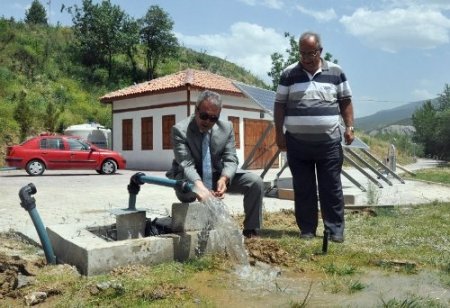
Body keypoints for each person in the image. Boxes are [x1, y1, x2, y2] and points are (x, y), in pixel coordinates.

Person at [274, 31, 355, 243]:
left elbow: (345, 101)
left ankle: (335, 230)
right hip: (297, 143)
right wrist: (278, 133)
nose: (307, 58)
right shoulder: (288, 74)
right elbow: (279, 104)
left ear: (320, 50)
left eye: (311, 53)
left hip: (328, 143)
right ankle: (307, 230)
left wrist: (350, 126)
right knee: (303, 189)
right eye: (302, 54)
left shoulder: (336, 73)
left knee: (331, 188)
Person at [166, 90, 263, 238]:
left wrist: (224, 178)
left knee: (255, 182)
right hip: (189, 178)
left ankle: (251, 230)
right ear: (196, 109)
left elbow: (231, 158)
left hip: (216, 174)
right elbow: (186, 164)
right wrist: (199, 186)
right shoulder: (180, 130)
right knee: (186, 191)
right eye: (204, 116)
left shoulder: (226, 128)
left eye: (213, 118)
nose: (207, 121)